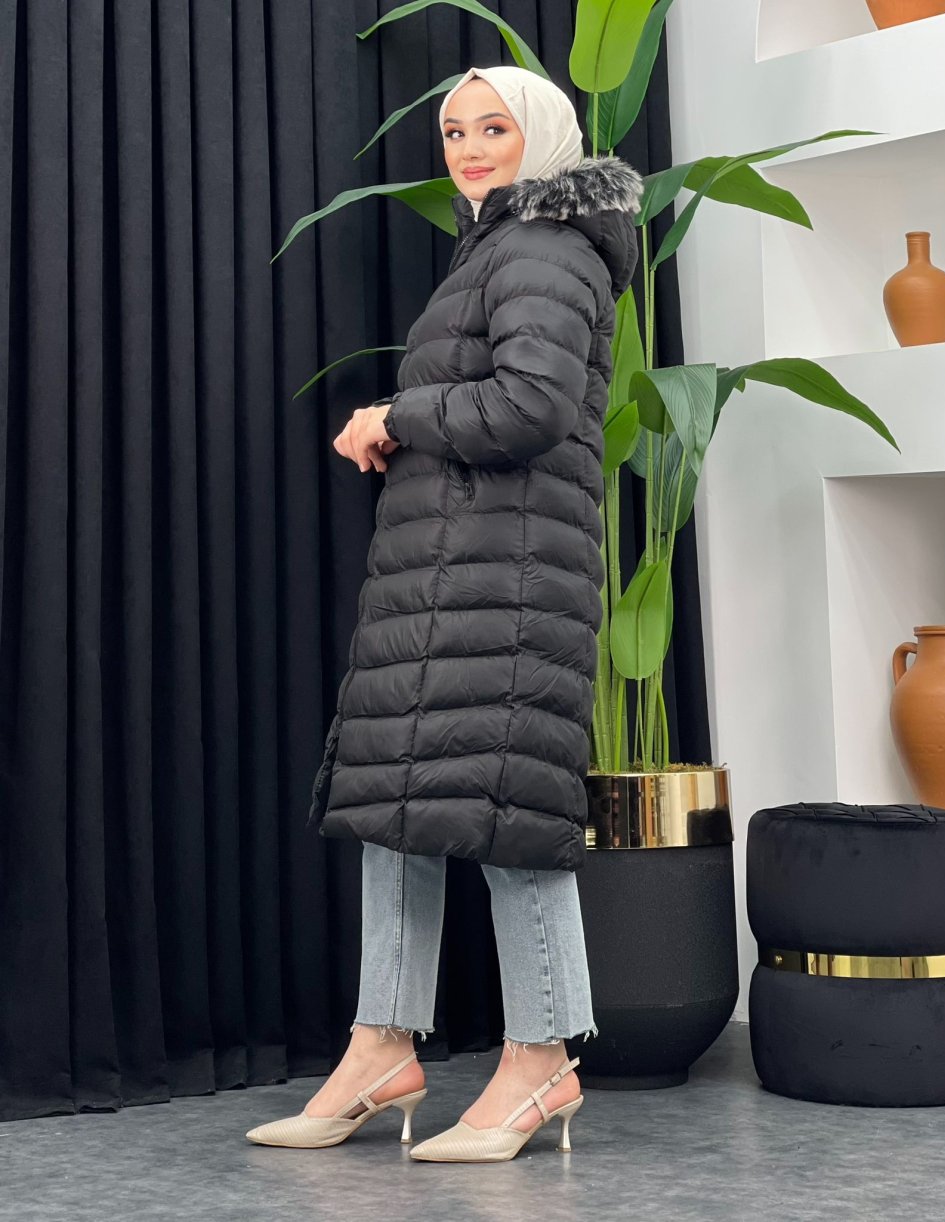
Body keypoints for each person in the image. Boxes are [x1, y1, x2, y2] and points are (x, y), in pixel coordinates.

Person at [246, 64, 642, 1163]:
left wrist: (396, 413)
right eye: (454, 131)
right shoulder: (497, 247)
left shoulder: (546, 248)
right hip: (447, 575)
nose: (468, 149)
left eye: (492, 129)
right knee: (399, 806)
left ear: (541, 137)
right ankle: (379, 1047)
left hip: (511, 581)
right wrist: (411, 423)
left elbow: (531, 405)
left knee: (509, 813)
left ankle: (542, 1061)